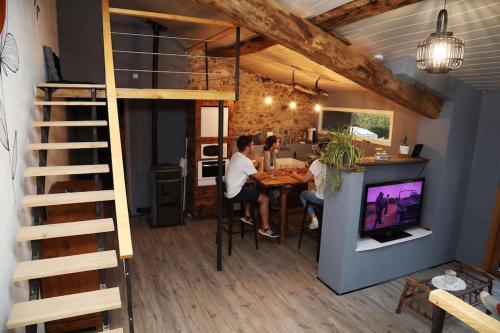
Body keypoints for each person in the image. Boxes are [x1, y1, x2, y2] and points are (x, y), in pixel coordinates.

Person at [225, 135, 279, 238]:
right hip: (235, 193)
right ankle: (265, 228)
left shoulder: (236, 155)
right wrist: (261, 161)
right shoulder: (245, 161)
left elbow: (248, 167)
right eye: (252, 144)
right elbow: (259, 177)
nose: (253, 146)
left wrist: (256, 162)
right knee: (265, 199)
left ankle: (247, 215)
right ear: (248, 146)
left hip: (229, 191)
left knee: (253, 189)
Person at [291, 140, 328, 230]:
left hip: (321, 199)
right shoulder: (334, 163)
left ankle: (314, 219)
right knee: (312, 192)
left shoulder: (317, 162)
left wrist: (295, 175)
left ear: (319, 148)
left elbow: (304, 179)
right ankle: (319, 217)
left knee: (303, 194)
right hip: (331, 200)